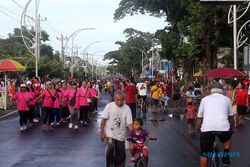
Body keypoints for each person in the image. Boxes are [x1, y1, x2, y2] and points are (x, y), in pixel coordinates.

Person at [197, 82, 234, 167]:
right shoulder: (226, 99)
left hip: (207, 129)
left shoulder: (204, 99)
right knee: (227, 140)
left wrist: (197, 128)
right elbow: (231, 117)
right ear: (221, 91)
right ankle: (225, 156)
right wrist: (232, 128)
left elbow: (199, 117)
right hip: (223, 127)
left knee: (204, 155)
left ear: (211, 91)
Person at [100, 91, 133, 167]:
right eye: (117, 100)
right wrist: (102, 133)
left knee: (121, 154)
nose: (119, 102)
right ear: (114, 99)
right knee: (110, 149)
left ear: (124, 99)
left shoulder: (127, 108)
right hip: (110, 133)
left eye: (121, 100)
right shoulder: (109, 106)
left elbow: (130, 124)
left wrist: (134, 134)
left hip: (121, 134)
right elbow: (103, 120)